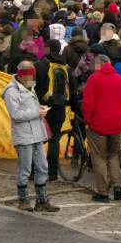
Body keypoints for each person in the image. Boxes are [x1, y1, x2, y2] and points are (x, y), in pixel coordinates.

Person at [2, 60, 60, 212]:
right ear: (22, 76)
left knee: (42, 166)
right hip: (24, 135)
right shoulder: (11, 91)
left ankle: (42, 200)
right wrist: (37, 112)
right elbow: (15, 114)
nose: (32, 79)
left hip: (36, 134)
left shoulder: (28, 87)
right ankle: (23, 200)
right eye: (30, 76)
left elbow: (25, 108)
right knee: (25, 168)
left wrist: (38, 107)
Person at [81, 55, 121, 202]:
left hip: (98, 124)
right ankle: (117, 187)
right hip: (116, 124)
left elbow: (88, 103)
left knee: (99, 157)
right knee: (113, 156)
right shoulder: (120, 80)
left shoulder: (94, 79)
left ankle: (103, 192)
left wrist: (87, 121)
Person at [34, 39, 78, 181]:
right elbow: (72, 91)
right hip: (59, 108)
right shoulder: (66, 68)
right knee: (54, 139)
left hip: (41, 107)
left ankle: (34, 170)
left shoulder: (39, 65)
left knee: (37, 139)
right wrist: (76, 108)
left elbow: (33, 87)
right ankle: (53, 172)